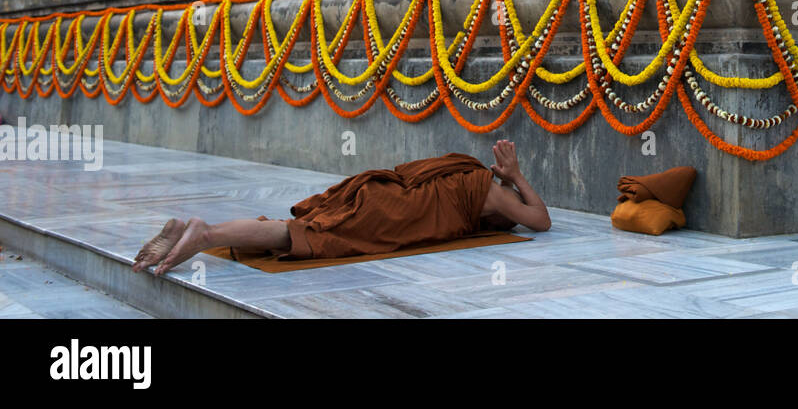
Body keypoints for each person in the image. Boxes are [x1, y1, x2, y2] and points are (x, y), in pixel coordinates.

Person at [132, 140, 549, 278]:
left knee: (302, 226)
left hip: (378, 192)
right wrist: (516, 175)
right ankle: (206, 234)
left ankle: (203, 229)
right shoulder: (489, 193)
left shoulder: (467, 178)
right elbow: (541, 221)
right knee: (308, 237)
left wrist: (508, 176)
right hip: (387, 216)